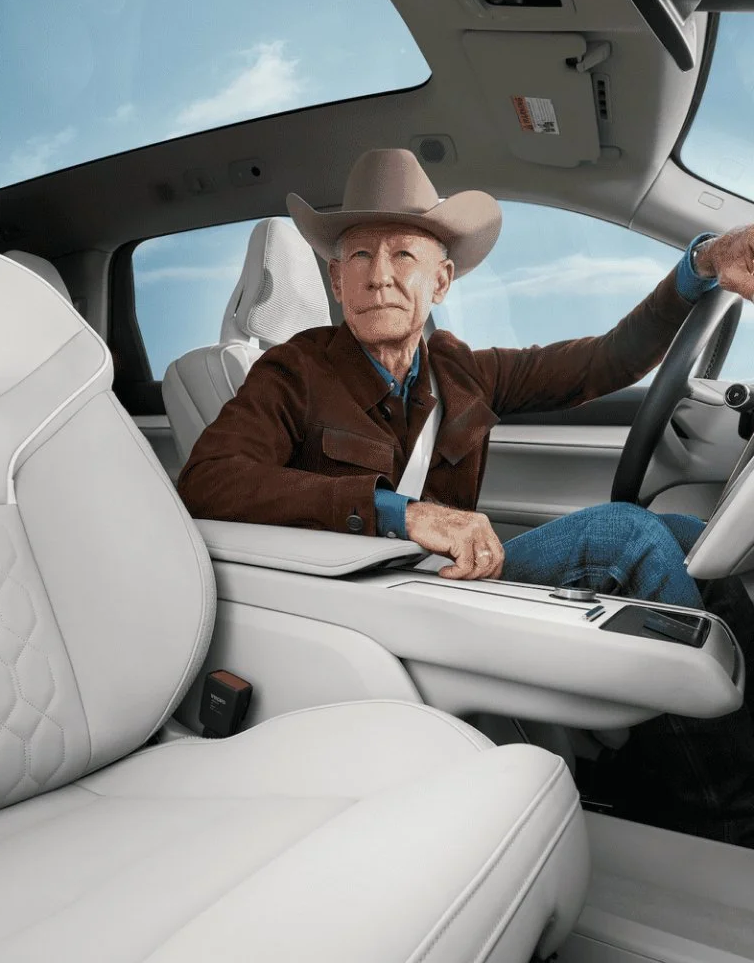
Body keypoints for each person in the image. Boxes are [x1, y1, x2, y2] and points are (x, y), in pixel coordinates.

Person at [179, 147, 754, 843]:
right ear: (336, 279)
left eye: (404, 256)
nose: (380, 276)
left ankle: (731, 748)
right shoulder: (291, 371)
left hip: (457, 582)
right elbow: (209, 480)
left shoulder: (457, 368)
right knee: (625, 536)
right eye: (359, 257)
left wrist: (698, 268)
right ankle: (723, 803)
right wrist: (400, 511)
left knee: (690, 537)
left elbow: (603, 361)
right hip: (366, 596)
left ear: (441, 279)